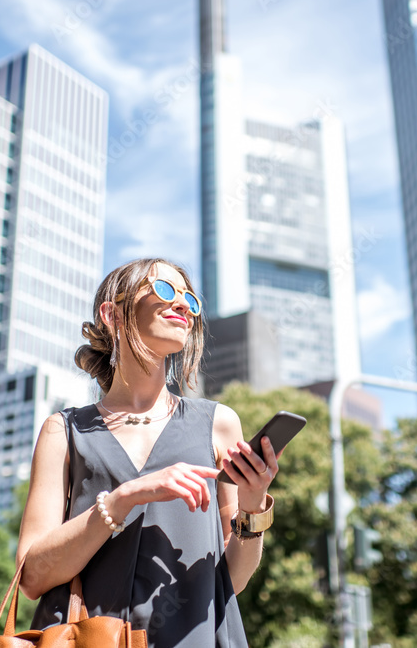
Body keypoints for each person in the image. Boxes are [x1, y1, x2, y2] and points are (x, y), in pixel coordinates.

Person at [16, 258, 282, 647]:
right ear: (113, 314)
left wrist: (253, 503)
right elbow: (32, 576)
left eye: (190, 299)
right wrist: (125, 497)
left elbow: (232, 580)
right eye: (164, 290)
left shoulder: (218, 423)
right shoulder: (64, 431)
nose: (183, 306)